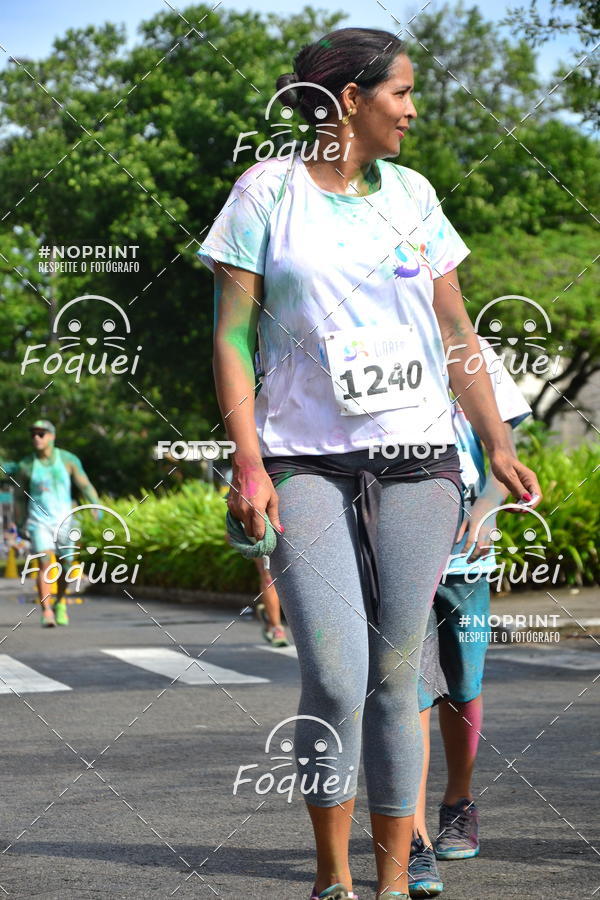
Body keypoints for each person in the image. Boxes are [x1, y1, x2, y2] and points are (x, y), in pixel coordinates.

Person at [199, 28, 541, 900]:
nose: (413, 110)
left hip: (420, 460)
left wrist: (497, 439)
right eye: (401, 93)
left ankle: (394, 882)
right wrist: (248, 461)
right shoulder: (266, 190)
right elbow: (232, 337)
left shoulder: (416, 196)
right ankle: (331, 878)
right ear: (350, 99)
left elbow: (458, 334)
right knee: (336, 670)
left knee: (397, 673)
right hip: (305, 462)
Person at [407, 337, 532, 898]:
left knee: (463, 682)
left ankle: (458, 799)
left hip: (467, 553)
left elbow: (504, 443)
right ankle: (411, 840)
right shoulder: (369, 339)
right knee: (406, 687)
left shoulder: (472, 349)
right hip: (397, 542)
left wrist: (484, 515)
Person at [1, 420, 100, 627]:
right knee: (45, 562)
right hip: (39, 521)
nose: (37, 438)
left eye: (41, 433)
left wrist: (95, 507)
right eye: (34, 434)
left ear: (52, 436)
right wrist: (20, 522)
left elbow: (85, 485)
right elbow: (19, 497)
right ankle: (46, 611)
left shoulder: (68, 460)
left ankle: (60, 602)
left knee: (66, 565)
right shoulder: (26, 465)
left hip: (65, 521)